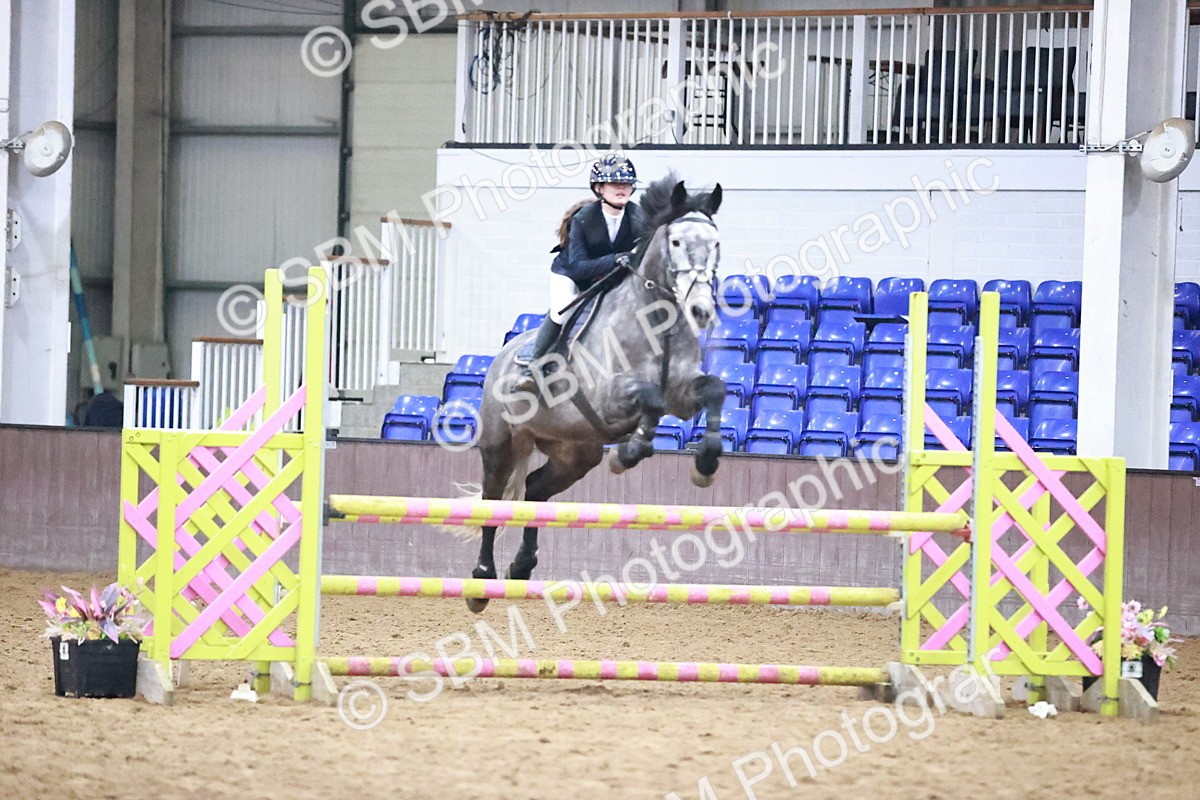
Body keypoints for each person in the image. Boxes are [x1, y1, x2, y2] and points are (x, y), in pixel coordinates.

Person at [514, 153, 645, 390]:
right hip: (571, 275)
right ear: (598, 188)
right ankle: (533, 366)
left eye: (626, 183)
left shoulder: (638, 216)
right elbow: (578, 266)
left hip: (609, 279)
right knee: (562, 310)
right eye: (615, 183)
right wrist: (616, 259)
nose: (622, 188)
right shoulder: (584, 219)